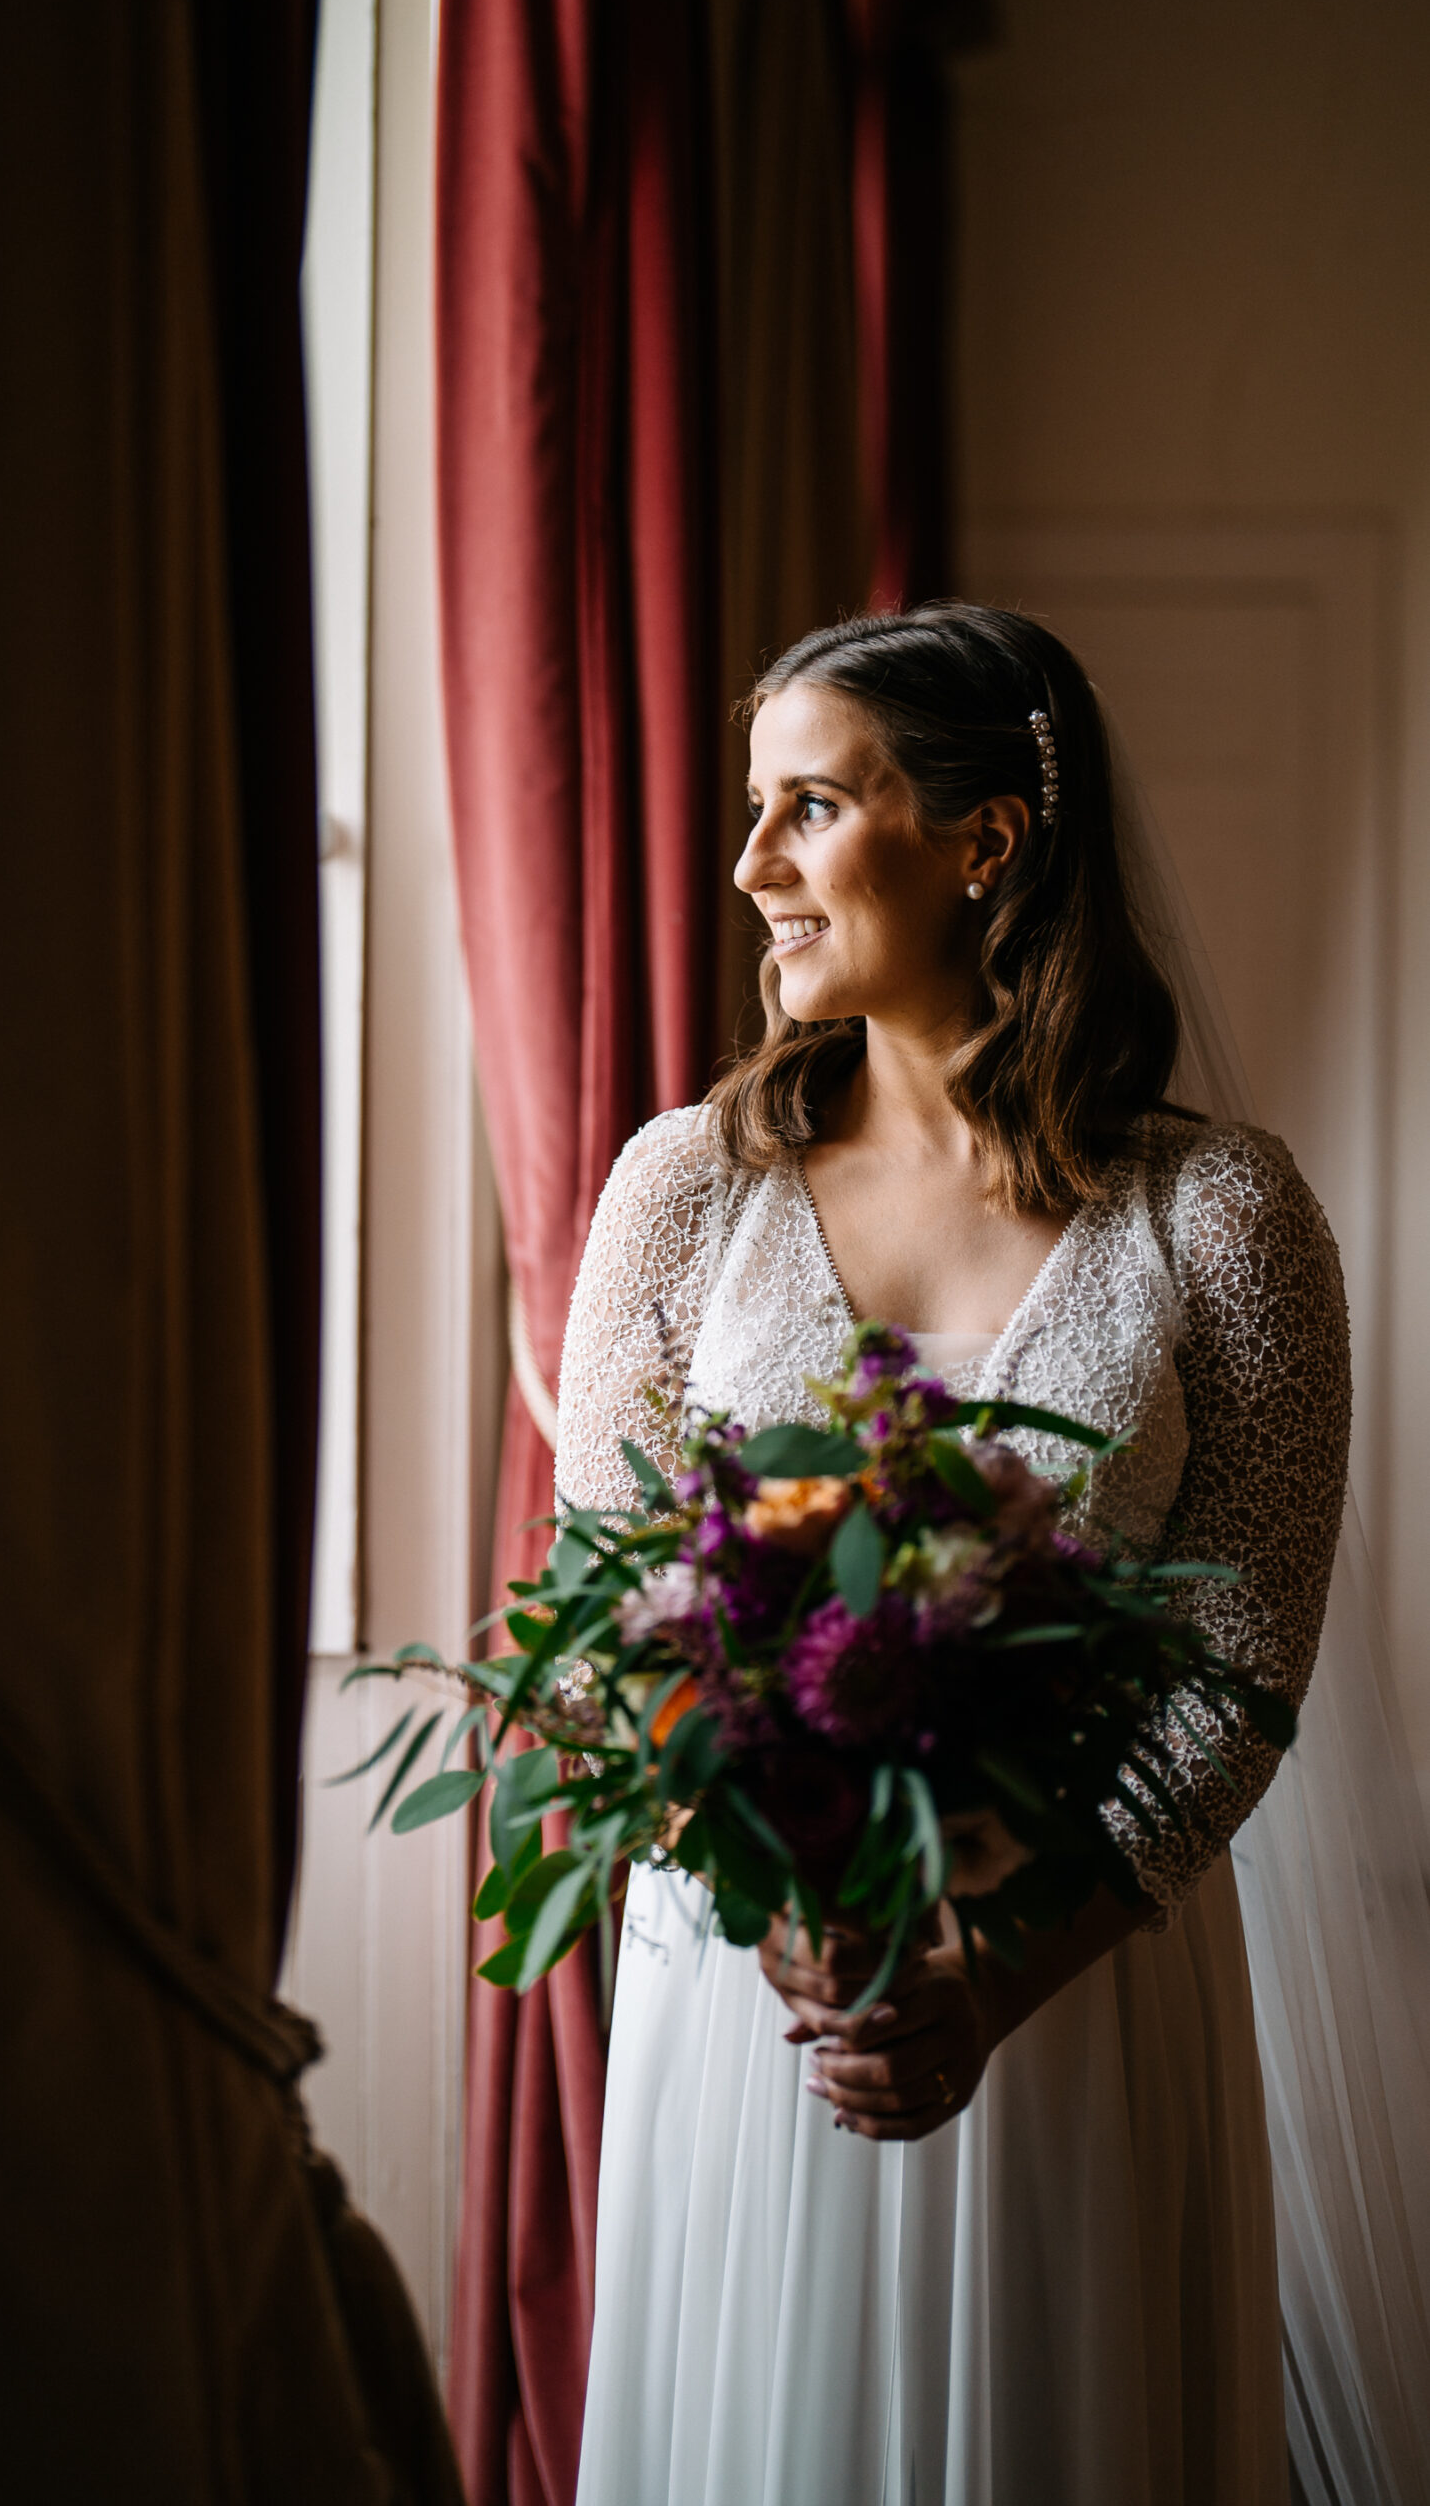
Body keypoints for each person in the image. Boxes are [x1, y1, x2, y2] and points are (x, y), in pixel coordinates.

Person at [560, 605, 1350, 2506]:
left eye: (809, 807)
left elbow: (1238, 1676)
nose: (751, 864)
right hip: (763, 1999)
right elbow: (601, 1624)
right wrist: (812, 1923)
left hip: (1075, 2002)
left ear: (984, 841)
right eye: (756, 812)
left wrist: (994, 1982)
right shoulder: (688, 1191)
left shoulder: (1227, 1223)